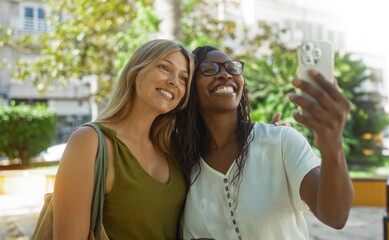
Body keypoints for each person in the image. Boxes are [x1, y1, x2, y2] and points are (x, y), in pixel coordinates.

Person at [176, 46, 354, 239]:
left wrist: (332, 145)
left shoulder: (280, 141)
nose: (225, 75)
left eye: (232, 68)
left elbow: (336, 216)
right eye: (210, 68)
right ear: (189, 87)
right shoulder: (181, 161)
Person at [52, 39, 194, 239]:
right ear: (136, 71)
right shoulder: (90, 142)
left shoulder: (173, 148)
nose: (174, 81)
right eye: (164, 67)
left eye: (183, 78)